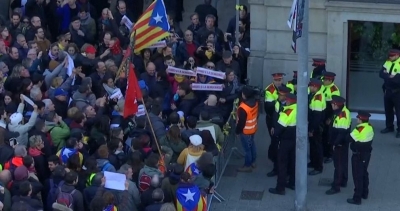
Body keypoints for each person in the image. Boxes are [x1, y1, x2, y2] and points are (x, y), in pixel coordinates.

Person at [269, 93, 297, 195]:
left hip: (285, 141)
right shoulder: (298, 108)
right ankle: (292, 183)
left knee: (282, 164)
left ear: (289, 101)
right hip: (295, 140)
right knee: (293, 162)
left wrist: (275, 133)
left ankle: (280, 188)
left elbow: (279, 129)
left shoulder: (287, 112)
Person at [325, 96, 351, 195]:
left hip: (339, 144)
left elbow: (341, 132)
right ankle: (343, 181)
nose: (331, 105)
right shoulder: (341, 111)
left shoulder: (342, 115)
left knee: (338, 165)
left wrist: (335, 144)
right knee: (343, 162)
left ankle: (336, 186)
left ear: (337, 105)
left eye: (333, 103)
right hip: (341, 143)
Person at [347, 111, 374, 205]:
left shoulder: (359, 129)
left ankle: (357, 198)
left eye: (358, 118)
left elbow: (349, 139)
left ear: (361, 119)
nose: (357, 119)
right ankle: (365, 193)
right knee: (364, 173)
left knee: (357, 176)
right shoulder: (370, 127)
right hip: (366, 155)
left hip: (358, 155)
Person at [267, 85, 290, 177]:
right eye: (278, 94)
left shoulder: (290, 106)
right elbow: (275, 115)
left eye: (280, 95)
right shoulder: (278, 103)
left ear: (285, 96)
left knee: (285, 154)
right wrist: (273, 126)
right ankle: (276, 169)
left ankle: (286, 172)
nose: (278, 96)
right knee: (275, 150)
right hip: (277, 131)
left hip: (285, 133)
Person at [236, 86, 258, 172]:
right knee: (252, 145)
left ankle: (247, 165)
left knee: (247, 149)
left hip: (245, 131)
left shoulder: (243, 107)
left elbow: (241, 122)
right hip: (253, 128)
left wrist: (237, 131)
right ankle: (253, 162)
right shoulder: (255, 102)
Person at [379, 49, 400, 138]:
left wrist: (387, 76)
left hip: (397, 92)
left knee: (399, 112)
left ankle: (399, 130)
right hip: (387, 91)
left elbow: (398, 81)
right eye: (389, 56)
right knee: (388, 110)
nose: (390, 57)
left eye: (392, 56)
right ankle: (389, 126)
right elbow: (380, 74)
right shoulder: (388, 62)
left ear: (397, 55)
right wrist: (389, 76)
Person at [321, 71, 340, 163]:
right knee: (323, 135)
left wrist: (330, 118)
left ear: (330, 80)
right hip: (323, 112)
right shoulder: (323, 85)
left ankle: (330, 155)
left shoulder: (334, 90)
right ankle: (324, 153)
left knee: (329, 135)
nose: (323, 80)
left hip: (329, 113)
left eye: (325, 79)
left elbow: (335, 107)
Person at [308, 78, 326, 176]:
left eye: (311, 86)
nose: (309, 87)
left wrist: (312, 130)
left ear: (315, 87)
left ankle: (318, 167)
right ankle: (313, 162)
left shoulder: (318, 99)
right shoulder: (315, 95)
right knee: (312, 145)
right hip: (314, 125)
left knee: (317, 146)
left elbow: (317, 117)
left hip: (316, 127)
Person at [264, 73, 284, 140]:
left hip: (281, 117)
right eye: (276, 80)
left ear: (282, 80)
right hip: (272, 117)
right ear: (273, 80)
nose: (278, 82)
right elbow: (269, 108)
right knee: (274, 140)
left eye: (279, 80)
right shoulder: (269, 90)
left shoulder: (284, 87)